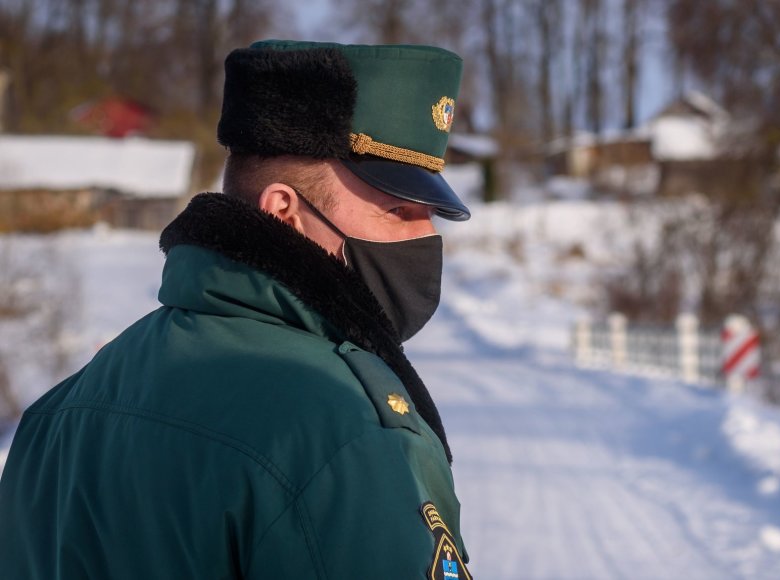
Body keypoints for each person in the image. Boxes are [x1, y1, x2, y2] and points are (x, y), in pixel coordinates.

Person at [0, 40, 473, 579]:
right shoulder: (340, 425)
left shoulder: (59, 413)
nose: (426, 236)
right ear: (283, 212)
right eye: (397, 209)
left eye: (431, 214)